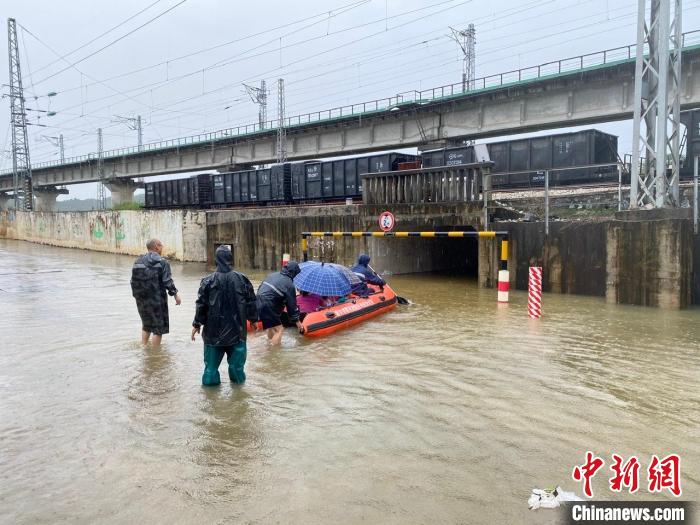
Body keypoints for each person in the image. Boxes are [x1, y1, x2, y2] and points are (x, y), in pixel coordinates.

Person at [191, 245, 258, 386]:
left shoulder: (207, 281)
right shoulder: (242, 279)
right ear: (231, 259)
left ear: (216, 260)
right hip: (237, 331)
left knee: (210, 370)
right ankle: (239, 399)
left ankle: (210, 401)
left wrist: (197, 324)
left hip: (212, 334)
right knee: (236, 369)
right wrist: (253, 319)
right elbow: (251, 301)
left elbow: (201, 304)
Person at [130, 238, 181, 347]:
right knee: (158, 329)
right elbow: (167, 281)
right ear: (156, 246)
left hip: (142, 299)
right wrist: (176, 295)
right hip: (157, 300)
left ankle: (143, 347)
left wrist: (137, 297)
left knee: (146, 325)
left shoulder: (137, 261)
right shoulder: (162, 262)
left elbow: (132, 282)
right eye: (161, 245)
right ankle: (155, 355)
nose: (162, 247)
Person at [256, 261, 304, 345]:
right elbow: (291, 306)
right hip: (268, 305)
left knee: (270, 327)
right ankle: (273, 352)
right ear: (294, 272)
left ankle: (269, 344)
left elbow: (261, 288)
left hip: (258, 300)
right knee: (279, 330)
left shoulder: (272, 275)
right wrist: (297, 322)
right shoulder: (289, 285)